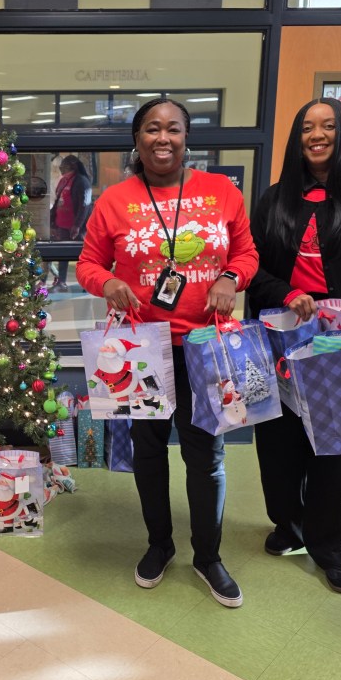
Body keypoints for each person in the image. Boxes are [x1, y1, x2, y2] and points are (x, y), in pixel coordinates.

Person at [77, 99, 258, 607]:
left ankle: (208, 556)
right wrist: (108, 281)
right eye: (152, 129)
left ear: (186, 137)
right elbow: (88, 263)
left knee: (207, 456)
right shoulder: (114, 200)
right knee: (150, 452)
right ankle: (160, 544)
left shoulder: (221, 192)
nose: (163, 138)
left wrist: (230, 277)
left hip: (205, 346)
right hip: (142, 347)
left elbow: (247, 252)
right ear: (137, 140)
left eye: (173, 129)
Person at [248, 97, 341, 593]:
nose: (317, 135)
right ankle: (289, 524)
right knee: (279, 444)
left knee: (337, 447)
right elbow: (252, 268)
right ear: (297, 139)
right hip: (280, 337)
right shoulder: (274, 200)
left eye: (329, 126)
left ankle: (332, 546)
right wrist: (285, 293)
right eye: (307, 127)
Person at [48, 155, 92, 291]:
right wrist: (52, 221)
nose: (61, 169)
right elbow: (58, 201)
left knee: (83, 255)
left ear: (72, 166)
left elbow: (85, 206)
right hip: (62, 225)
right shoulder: (64, 180)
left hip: (78, 227)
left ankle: (87, 282)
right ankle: (61, 282)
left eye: (64, 166)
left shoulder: (82, 182)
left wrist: (77, 225)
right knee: (63, 254)